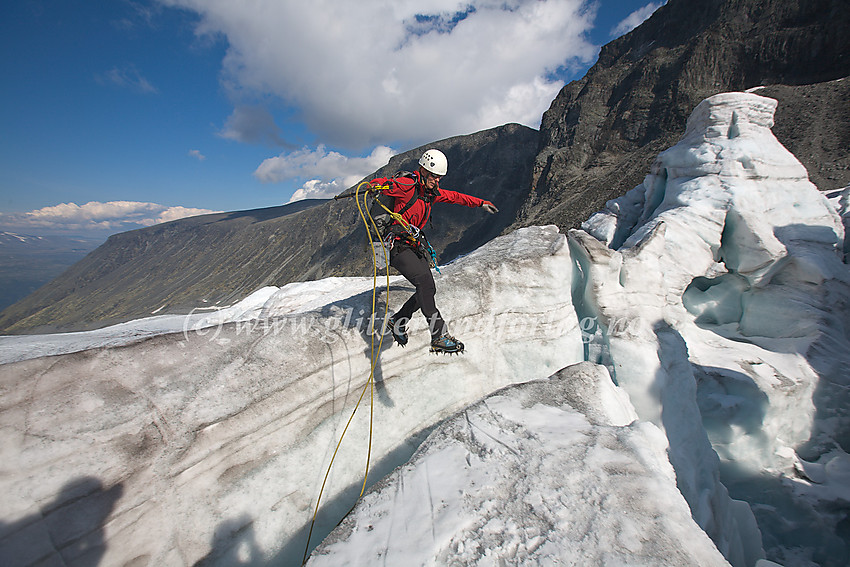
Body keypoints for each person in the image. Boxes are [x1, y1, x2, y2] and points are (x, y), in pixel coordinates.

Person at [367, 149, 498, 354]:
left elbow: (455, 197)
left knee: (428, 289)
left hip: (411, 244)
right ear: (423, 170)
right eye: (434, 176)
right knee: (425, 284)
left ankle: (398, 320)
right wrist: (376, 186)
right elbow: (383, 184)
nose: (437, 181)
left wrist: (480, 202)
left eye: (439, 178)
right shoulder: (407, 185)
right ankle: (438, 335)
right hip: (395, 245)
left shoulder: (430, 194)